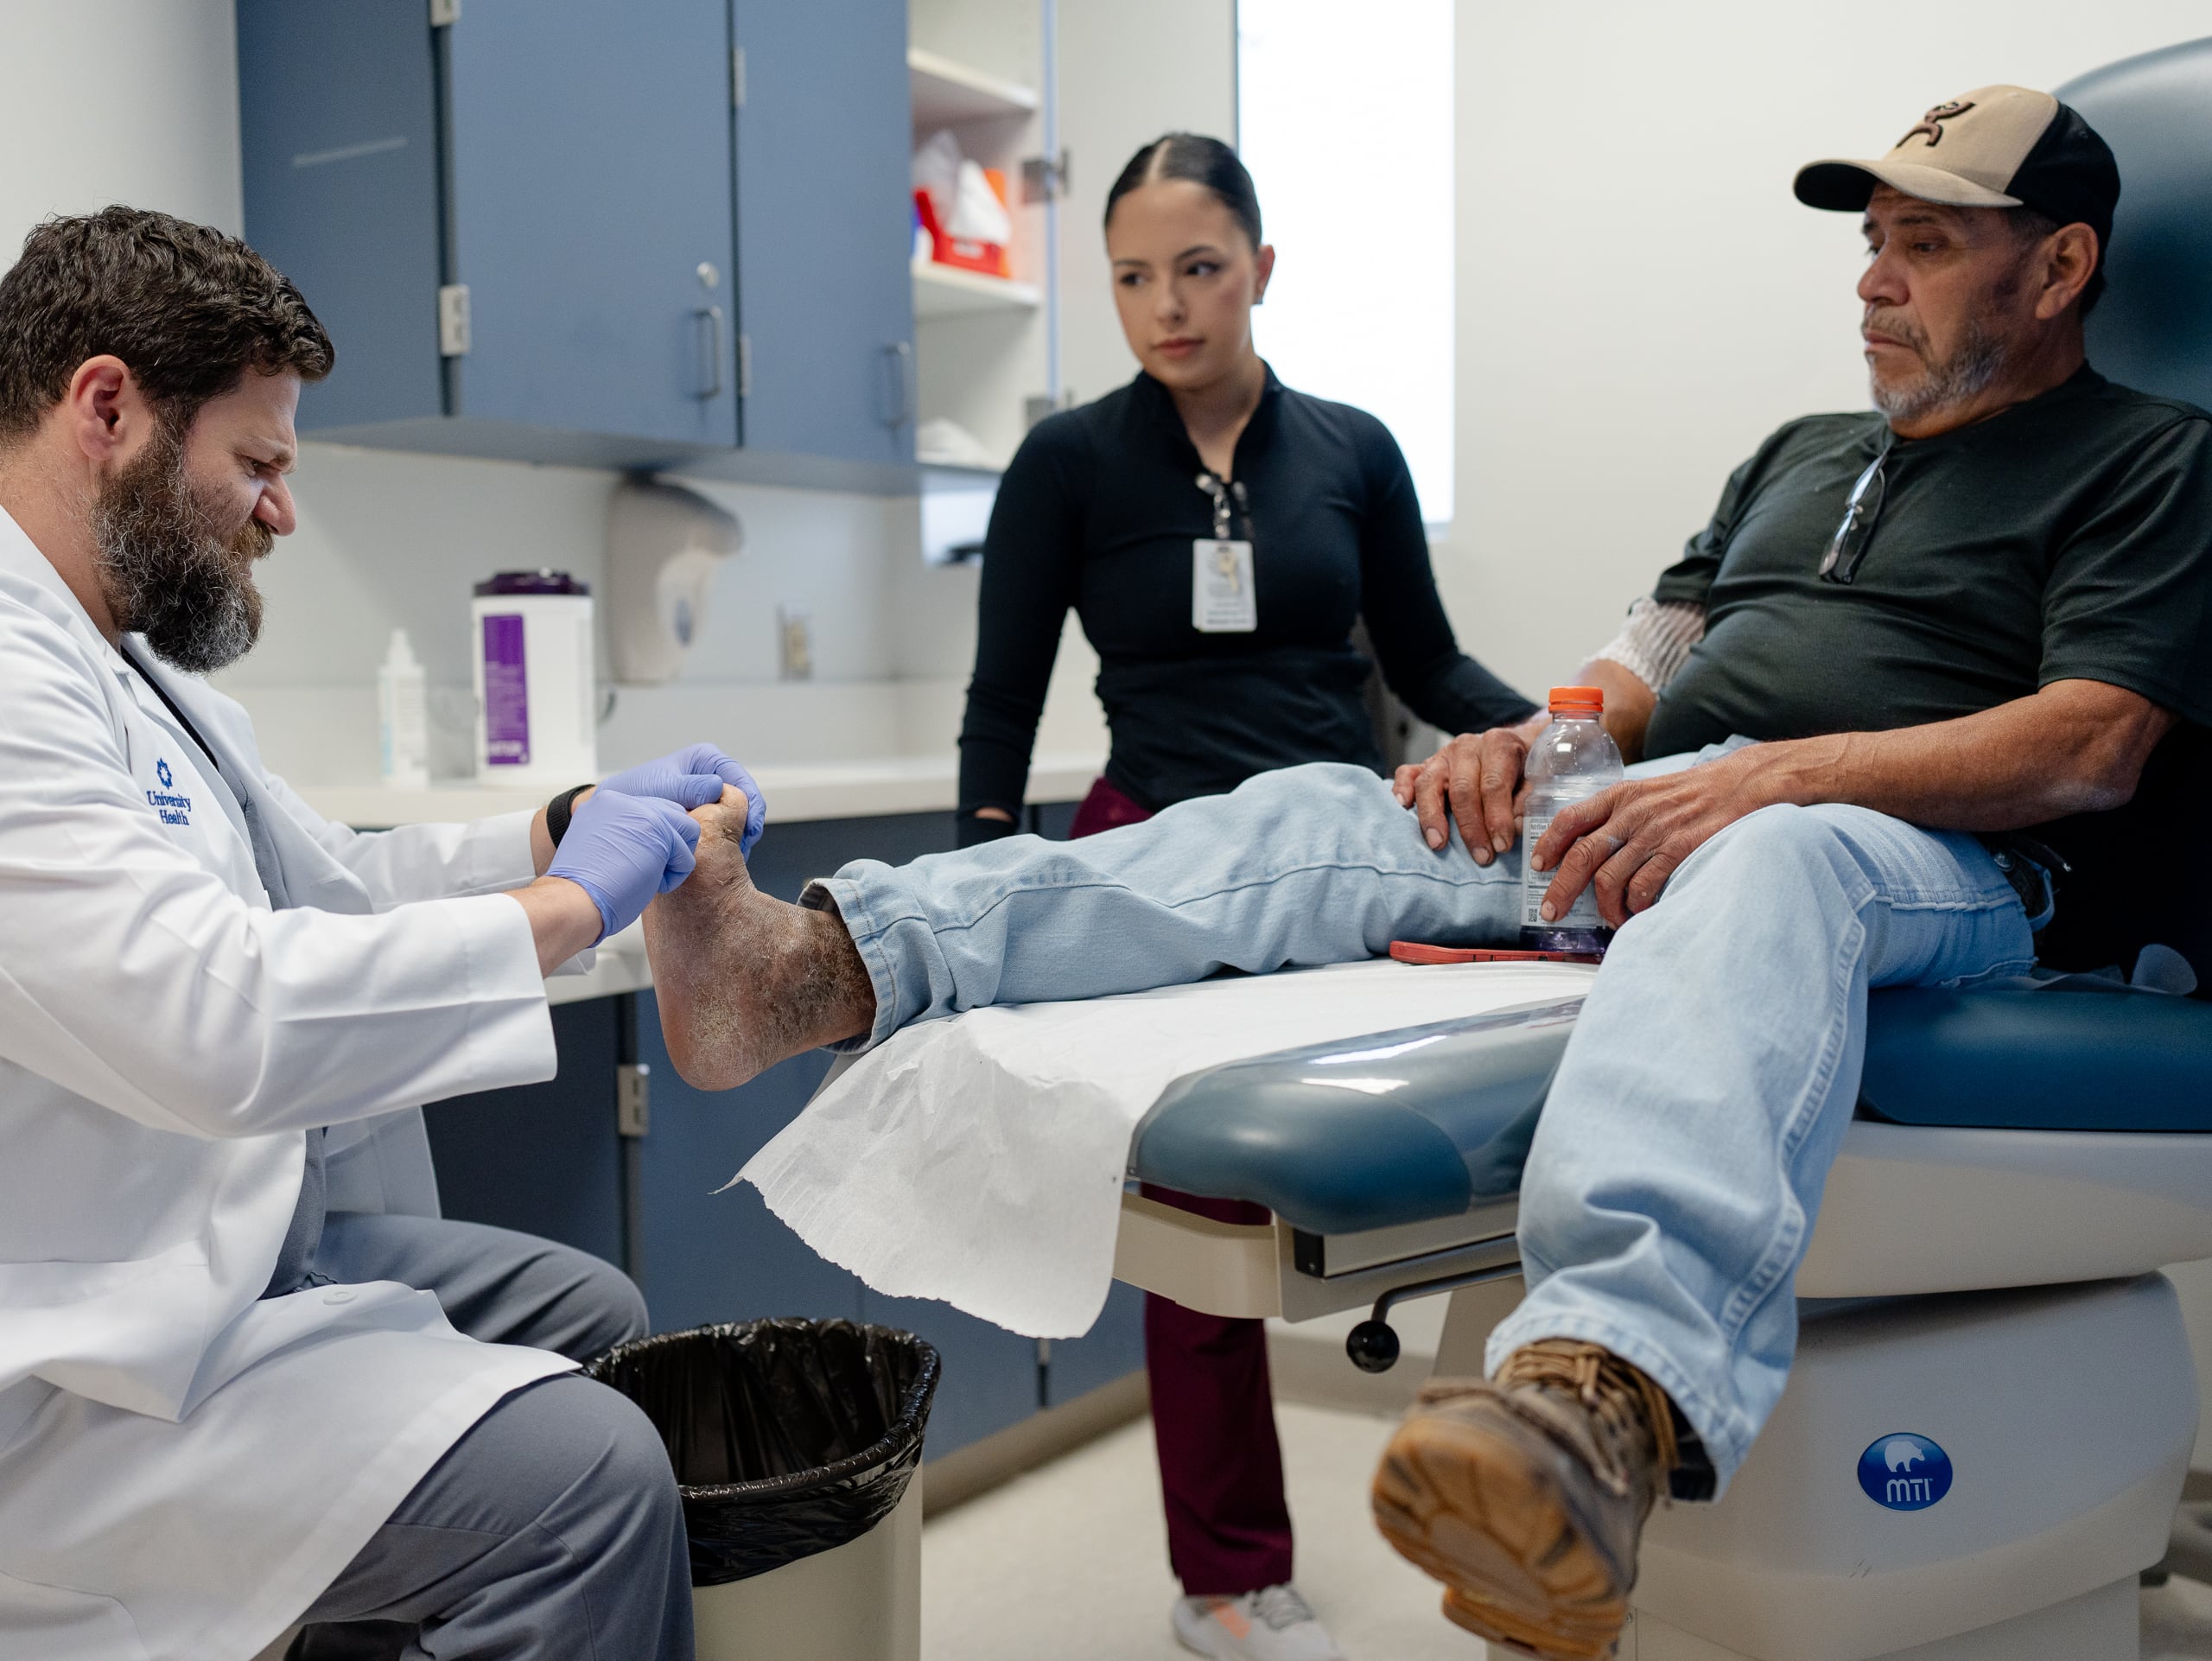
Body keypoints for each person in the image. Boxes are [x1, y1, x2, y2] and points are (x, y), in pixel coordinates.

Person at [641, 83, 2212, 1660]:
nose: (1872, 279)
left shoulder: (2149, 462)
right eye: (1874, 243)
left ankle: (1601, 1393)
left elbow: (2094, 743)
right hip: (1691, 807)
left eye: (1924, 246)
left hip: (1956, 874)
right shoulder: (1804, 456)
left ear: (2062, 267)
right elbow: (1651, 654)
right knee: (1335, 811)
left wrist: (1770, 776)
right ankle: (820, 967)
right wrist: (1532, 744)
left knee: (1777, 860)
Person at [0, 207, 753, 1658]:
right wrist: (569, 906)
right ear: (108, 408)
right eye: (260, 463)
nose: (280, 512)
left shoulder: (123, 664)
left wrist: (560, 829)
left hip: (201, 1250)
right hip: (78, 1366)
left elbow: (322, 886)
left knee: (588, 1310)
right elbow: (217, 1017)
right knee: (594, 1482)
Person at [954, 131, 1534, 1660]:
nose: (1167, 307)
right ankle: (1227, 1572)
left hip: (1342, 844)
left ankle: (1517, 1504)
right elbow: (1002, 701)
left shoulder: (1351, 449)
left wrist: (1550, 737)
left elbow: (1427, 666)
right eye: (1133, 277)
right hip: (1152, 848)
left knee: (1479, 1156)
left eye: (1198, 270)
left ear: (1262, 270)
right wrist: (985, 876)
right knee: (1204, 1206)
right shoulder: (1069, 463)